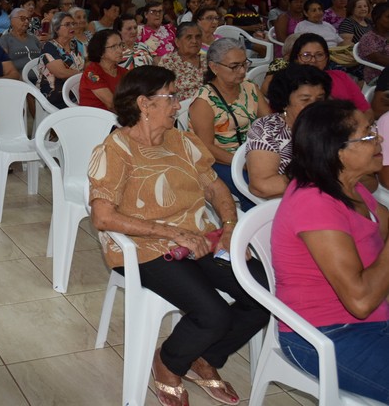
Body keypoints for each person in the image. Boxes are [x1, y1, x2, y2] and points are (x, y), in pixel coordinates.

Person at [89, 65, 269, 406]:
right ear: (144, 103)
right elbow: (103, 216)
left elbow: (217, 190)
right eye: (170, 97)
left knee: (264, 293)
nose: (177, 105)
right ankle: (169, 362)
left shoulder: (183, 141)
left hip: (197, 240)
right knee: (213, 314)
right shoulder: (115, 150)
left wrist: (230, 229)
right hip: (145, 248)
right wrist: (171, 232)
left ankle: (205, 358)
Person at [272, 100, 389, 403]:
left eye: (374, 130)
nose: (380, 139)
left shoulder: (349, 186)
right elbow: (360, 301)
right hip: (327, 336)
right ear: (337, 150)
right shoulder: (316, 202)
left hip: (374, 320)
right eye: (367, 135)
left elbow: (384, 227)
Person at [189, 38, 270, 211]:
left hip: (253, 154)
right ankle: (254, 229)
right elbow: (207, 148)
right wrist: (244, 163)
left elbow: (269, 124)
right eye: (234, 66)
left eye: (244, 64)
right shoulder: (204, 101)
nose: (242, 71)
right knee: (256, 188)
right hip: (221, 160)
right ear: (214, 67)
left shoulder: (250, 88)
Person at [246, 64, 331, 199]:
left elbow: (367, 178)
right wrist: (322, 178)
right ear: (285, 101)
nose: (315, 106)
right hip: (294, 202)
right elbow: (261, 186)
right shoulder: (268, 129)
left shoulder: (331, 123)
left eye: (320, 99)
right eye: (305, 100)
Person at [262, 33, 371, 117]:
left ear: (327, 58)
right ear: (295, 58)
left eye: (319, 55)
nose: (313, 60)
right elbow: (278, 117)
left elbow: (366, 111)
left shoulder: (340, 77)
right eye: (306, 55)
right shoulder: (285, 82)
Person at [36, 11, 85, 108]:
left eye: (73, 24)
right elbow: (61, 73)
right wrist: (84, 74)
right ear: (56, 29)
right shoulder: (49, 47)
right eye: (67, 24)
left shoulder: (77, 44)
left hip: (78, 91)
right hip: (55, 95)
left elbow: (90, 64)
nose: (72, 27)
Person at [79, 29, 126, 111]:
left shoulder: (123, 72)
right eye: (114, 47)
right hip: (96, 119)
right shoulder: (92, 73)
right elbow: (112, 104)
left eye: (120, 45)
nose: (120, 50)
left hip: (115, 116)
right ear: (100, 51)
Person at [160, 22, 206, 101]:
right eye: (189, 37)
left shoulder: (207, 60)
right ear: (177, 42)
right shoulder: (169, 61)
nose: (194, 41)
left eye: (198, 37)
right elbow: (163, 92)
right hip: (181, 109)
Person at [0, 7, 42, 73]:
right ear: (12, 21)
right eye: (22, 18)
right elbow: (3, 63)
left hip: (40, 77)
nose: (26, 21)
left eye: (28, 19)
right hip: (18, 79)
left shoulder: (34, 38)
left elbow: (43, 56)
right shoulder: (5, 39)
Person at [357, 3, 389, 84]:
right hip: (378, 77)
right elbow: (380, 59)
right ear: (376, 17)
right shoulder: (368, 38)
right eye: (388, 17)